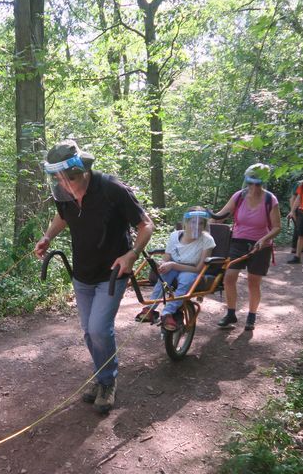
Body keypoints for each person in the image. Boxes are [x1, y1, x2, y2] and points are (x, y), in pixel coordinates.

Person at [34, 139, 154, 414]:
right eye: (60, 180)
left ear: (84, 169)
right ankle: (101, 376)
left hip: (112, 272)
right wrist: (47, 237)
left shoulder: (112, 188)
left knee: (100, 329)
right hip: (82, 273)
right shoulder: (63, 192)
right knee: (89, 332)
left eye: (71, 178)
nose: (66, 185)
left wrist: (132, 254)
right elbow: (62, 218)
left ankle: (108, 382)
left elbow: (145, 224)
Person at [209, 163, 281, 331]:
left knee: (253, 282)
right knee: (229, 277)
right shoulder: (239, 197)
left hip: (261, 245)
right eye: (250, 183)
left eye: (257, 183)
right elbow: (220, 216)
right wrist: (205, 221)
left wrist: (264, 239)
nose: (253, 187)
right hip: (238, 242)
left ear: (263, 183)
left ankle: (251, 316)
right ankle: (231, 313)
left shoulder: (271, 199)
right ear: (246, 182)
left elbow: (277, 227)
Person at [135, 207, 215, 331]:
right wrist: (161, 264)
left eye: (200, 223)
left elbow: (199, 268)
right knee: (164, 275)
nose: (197, 226)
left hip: (191, 270)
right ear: (186, 223)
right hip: (173, 267)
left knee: (185, 278)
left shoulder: (207, 240)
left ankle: (168, 313)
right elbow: (166, 258)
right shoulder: (174, 236)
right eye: (193, 222)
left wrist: (172, 265)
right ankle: (150, 309)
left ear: (204, 225)